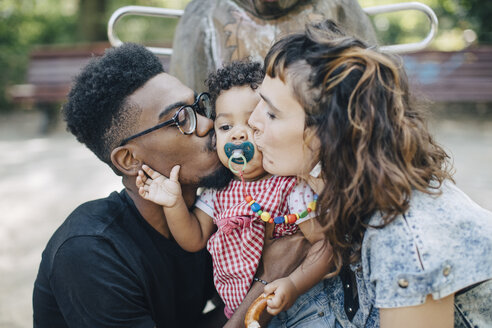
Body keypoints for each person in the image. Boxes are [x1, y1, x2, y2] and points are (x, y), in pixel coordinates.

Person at [32, 43, 309, 328]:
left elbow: (223, 313)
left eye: (200, 107)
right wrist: (266, 283)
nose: (207, 125)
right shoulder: (88, 254)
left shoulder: (217, 216)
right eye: (181, 119)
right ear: (129, 159)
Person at [248, 20, 492, 328]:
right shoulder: (336, 191)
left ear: (328, 135)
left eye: (271, 113)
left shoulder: (405, 238)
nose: (253, 121)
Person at [136, 60, 333, 327]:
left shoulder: (290, 185)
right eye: (226, 127)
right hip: (239, 311)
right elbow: (193, 239)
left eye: (252, 125)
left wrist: (294, 284)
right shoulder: (219, 191)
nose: (238, 135)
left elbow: (322, 245)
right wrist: (174, 204)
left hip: (302, 309)